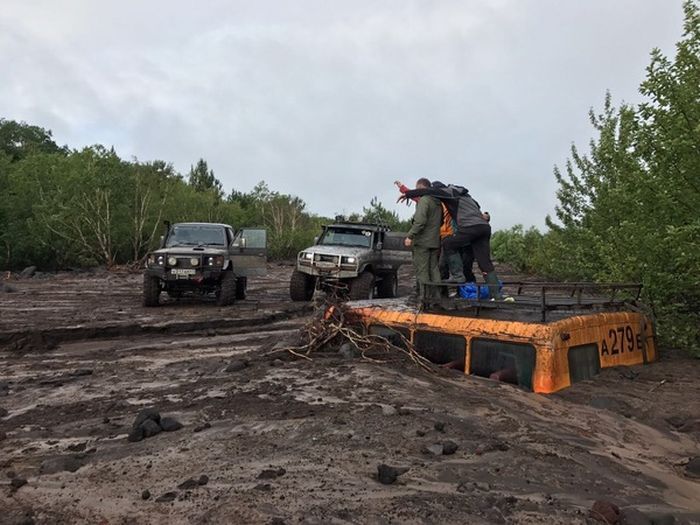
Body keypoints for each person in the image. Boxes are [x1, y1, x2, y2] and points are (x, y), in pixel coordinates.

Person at [399, 184, 503, 300]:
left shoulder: (448, 192)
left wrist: (408, 194)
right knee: (485, 263)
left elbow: (428, 191)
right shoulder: (467, 196)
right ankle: (497, 296)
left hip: (470, 228)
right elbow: (479, 208)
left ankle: (458, 277)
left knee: (448, 243)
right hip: (484, 228)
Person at [403, 178, 443, 305]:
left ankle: (424, 300)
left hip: (422, 242)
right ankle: (437, 298)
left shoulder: (424, 200)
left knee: (422, 270)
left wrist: (410, 236)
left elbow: (420, 221)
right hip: (434, 241)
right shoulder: (438, 202)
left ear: (421, 187)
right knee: (434, 269)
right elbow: (441, 222)